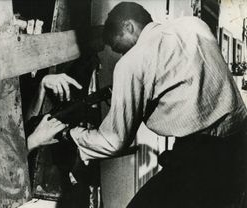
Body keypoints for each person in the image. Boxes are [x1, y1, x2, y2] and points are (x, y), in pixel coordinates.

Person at [60, 2, 247, 207]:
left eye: (120, 48)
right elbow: (185, 79)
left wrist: (70, 134)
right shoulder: (194, 25)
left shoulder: (132, 61)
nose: (123, 55)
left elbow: (114, 141)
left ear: (129, 26)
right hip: (239, 144)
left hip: (202, 156)